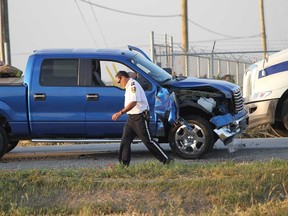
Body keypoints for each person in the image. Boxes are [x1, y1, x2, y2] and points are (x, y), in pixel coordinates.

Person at [112, 70, 172, 167]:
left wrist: (120, 113)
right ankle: (123, 164)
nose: (119, 84)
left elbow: (133, 102)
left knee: (148, 141)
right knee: (125, 140)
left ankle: (166, 160)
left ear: (123, 77)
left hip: (139, 117)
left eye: (119, 81)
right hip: (131, 117)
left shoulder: (133, 86)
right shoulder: (128, 86)